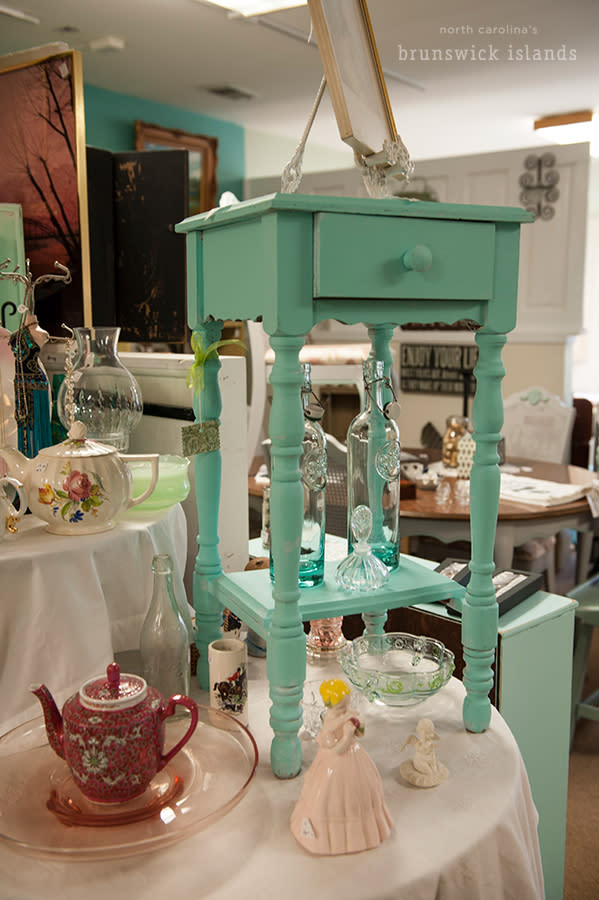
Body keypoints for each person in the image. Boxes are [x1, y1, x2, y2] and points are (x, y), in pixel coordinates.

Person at [290, 678, 392, 855]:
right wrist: (346, 736)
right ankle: (330, 838)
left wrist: (359, 727)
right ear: (329, 707)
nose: (345, 711)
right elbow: (337, 750)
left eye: (346, 706)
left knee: (359, 795)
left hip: (355, 757)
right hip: (335, 763)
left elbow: (360, 734)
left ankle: (363, 834)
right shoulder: (329, 726)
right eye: (340, 708)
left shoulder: (348, 713)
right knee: (328, 797)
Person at [399, 717, 449, 787]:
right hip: (421, 760)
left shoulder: (430, 741)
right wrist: (426, 746)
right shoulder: (419, 743)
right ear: (419, 732)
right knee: (429, 773)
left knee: (434, 771)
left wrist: (432, 746)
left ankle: (433, 772)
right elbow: (421, 749)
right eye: (425, 733)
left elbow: (432, 750)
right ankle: (426, 773)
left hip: (430, 759)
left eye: (430, 733)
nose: (428, 736)